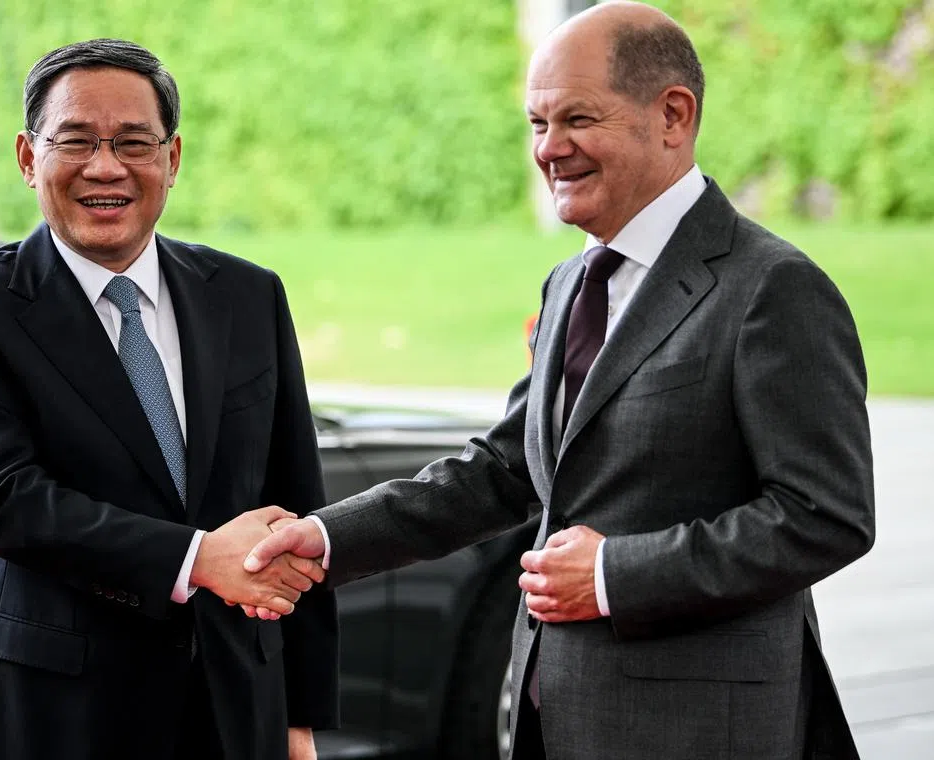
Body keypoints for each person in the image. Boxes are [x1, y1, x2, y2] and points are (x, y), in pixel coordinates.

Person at [243, 3, 874, 758]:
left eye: (576, 119)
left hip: (701, 735)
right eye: (537, 125)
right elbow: (503, 471)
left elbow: (825, 514)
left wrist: (614, 575)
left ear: (672, 115)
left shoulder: (772, 288)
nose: (550, 150)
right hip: (555, 721)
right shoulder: (570, 281)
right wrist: (318, 540)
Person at [0, 39, 337, 760]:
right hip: (49, 714)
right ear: (26, 157)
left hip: (232, 705)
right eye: (75, 141)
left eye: (133, 143)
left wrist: (299, 715)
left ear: (171, 160)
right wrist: (198, 558)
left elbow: (295, 503)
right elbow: (5, 501)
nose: (105, 167)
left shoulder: (247, 295)